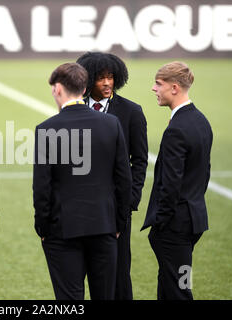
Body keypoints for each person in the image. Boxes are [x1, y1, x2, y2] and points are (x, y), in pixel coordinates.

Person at [33, 63, 132, 300]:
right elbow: (124, 180)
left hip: (62, 231)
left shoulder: (46, 129)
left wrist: (43, 228)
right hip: (104, 227)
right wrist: (118, 224)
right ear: (85, 88)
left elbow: (42, 187)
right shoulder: (111, 124)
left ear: (58, 89)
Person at [76, 52, 148, 300]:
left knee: (118, 275)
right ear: (87, 80)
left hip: (115, 209)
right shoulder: (74, 111)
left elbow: (139, 160)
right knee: (78, 276)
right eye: (100, 78)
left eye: (111, 77)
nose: (107, 83)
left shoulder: (131, 112)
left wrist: (130, 200)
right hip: (80, 207)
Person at [141, 61, 213, 300]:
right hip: (193, 220)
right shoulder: (201, 120)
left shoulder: (176, 129)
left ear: (174, 87)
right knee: (173, 282)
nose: (154, 89)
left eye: (158, 84)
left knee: (179, 290)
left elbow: (170, 184)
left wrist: (161, 223)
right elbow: (205, 172)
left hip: (175, 228)